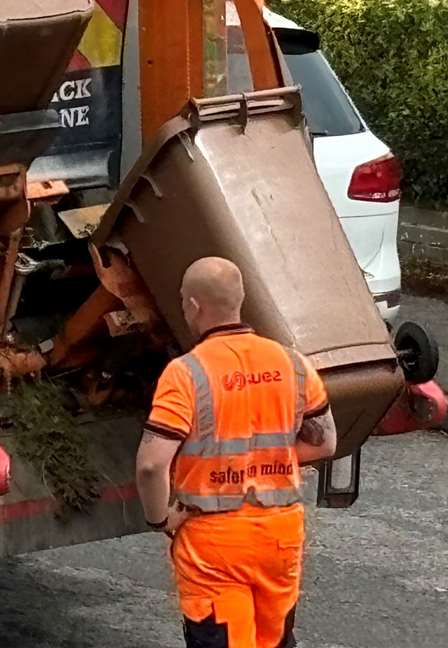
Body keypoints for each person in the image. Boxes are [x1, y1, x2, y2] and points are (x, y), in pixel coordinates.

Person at [136, 256, 338, 648]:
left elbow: (150, 465)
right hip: (280, 537)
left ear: (194, 306)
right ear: (240, 299)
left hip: (215, 543)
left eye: (182, 300)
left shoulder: (186, 373)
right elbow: (325, 441)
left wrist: (161, 519)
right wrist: (263, 463)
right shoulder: (292, 363)